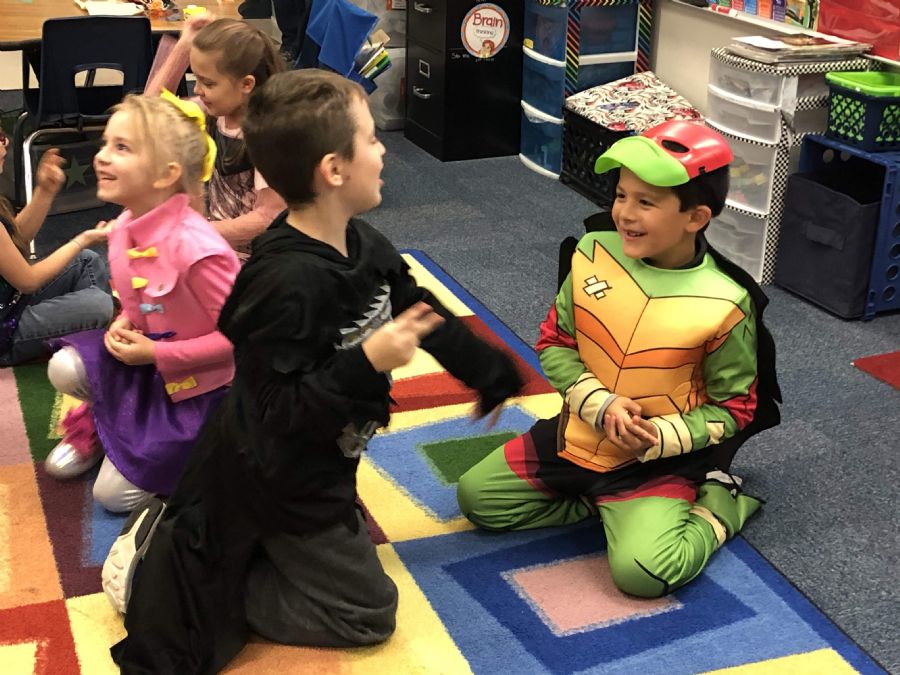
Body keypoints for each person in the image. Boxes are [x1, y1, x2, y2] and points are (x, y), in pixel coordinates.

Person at [106, 69, 524, 673]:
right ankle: (201, 579)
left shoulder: (362, 242)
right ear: (333, 170)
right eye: (371, 139)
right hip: (276, 478)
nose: (383, 151)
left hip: (325, 458)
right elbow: (275, 412)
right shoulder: (284, 283)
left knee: (341, 550)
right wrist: (366, 362)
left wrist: (490, 372)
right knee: (367, 614)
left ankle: (249, 555)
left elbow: (418, 310)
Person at [457, 120, 781, 599]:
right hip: (576, 435)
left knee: (643, 575)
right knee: (478, 500)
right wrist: (599, 404)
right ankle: (600, 506)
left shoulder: (727, 303)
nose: (625, 213)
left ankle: (718, 504)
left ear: (696, 217)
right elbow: (555, 341)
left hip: (654, 463)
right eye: (621, 195)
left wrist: (660, 436)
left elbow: (735, 409)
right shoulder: (592, 252)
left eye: (646, 202)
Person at [43, 94, 241, 513]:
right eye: (106, 144)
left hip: (202, 389)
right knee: (64, 366)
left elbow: (243, 339)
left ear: (167, 174)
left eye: (122, 147)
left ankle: (202, 453)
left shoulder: (200, 249)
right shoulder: (124, 227)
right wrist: (127, 322)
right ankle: (110, 424)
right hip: (147, 366)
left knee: (112, 497)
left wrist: (158, 353)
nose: (102, 156)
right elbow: (143, 300)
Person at [145, 16, 288, 260]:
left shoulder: (267, 136)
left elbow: (268, 216)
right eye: (196, 79)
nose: (197, 90)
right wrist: (183, 46)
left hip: (251, 261)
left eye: (208, 83)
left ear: (246, 84)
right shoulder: (215, 111)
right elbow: (146, 114)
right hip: (217, 244)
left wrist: (196, 232)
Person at [0, 128, 113, 366]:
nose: (6, 141)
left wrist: (45, 191)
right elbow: (27, 280)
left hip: (10, 303)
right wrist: (82, 239)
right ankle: (92, 339)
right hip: (5, 332)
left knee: (87, 260)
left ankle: (90, 339)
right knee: (99, 304)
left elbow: (14, 241)